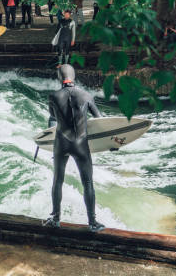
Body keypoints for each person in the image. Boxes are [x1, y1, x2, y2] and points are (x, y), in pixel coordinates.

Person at [43, 64, 105, 232]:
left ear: (59, 77)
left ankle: (55, 218)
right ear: (74, 76)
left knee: (58, 181)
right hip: (81, 144)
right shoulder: (86, 95)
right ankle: (92, 223)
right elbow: (100, 120)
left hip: (61, 143)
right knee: (87, 183)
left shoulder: (53, 96)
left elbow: (52, 119)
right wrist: (110, 144)